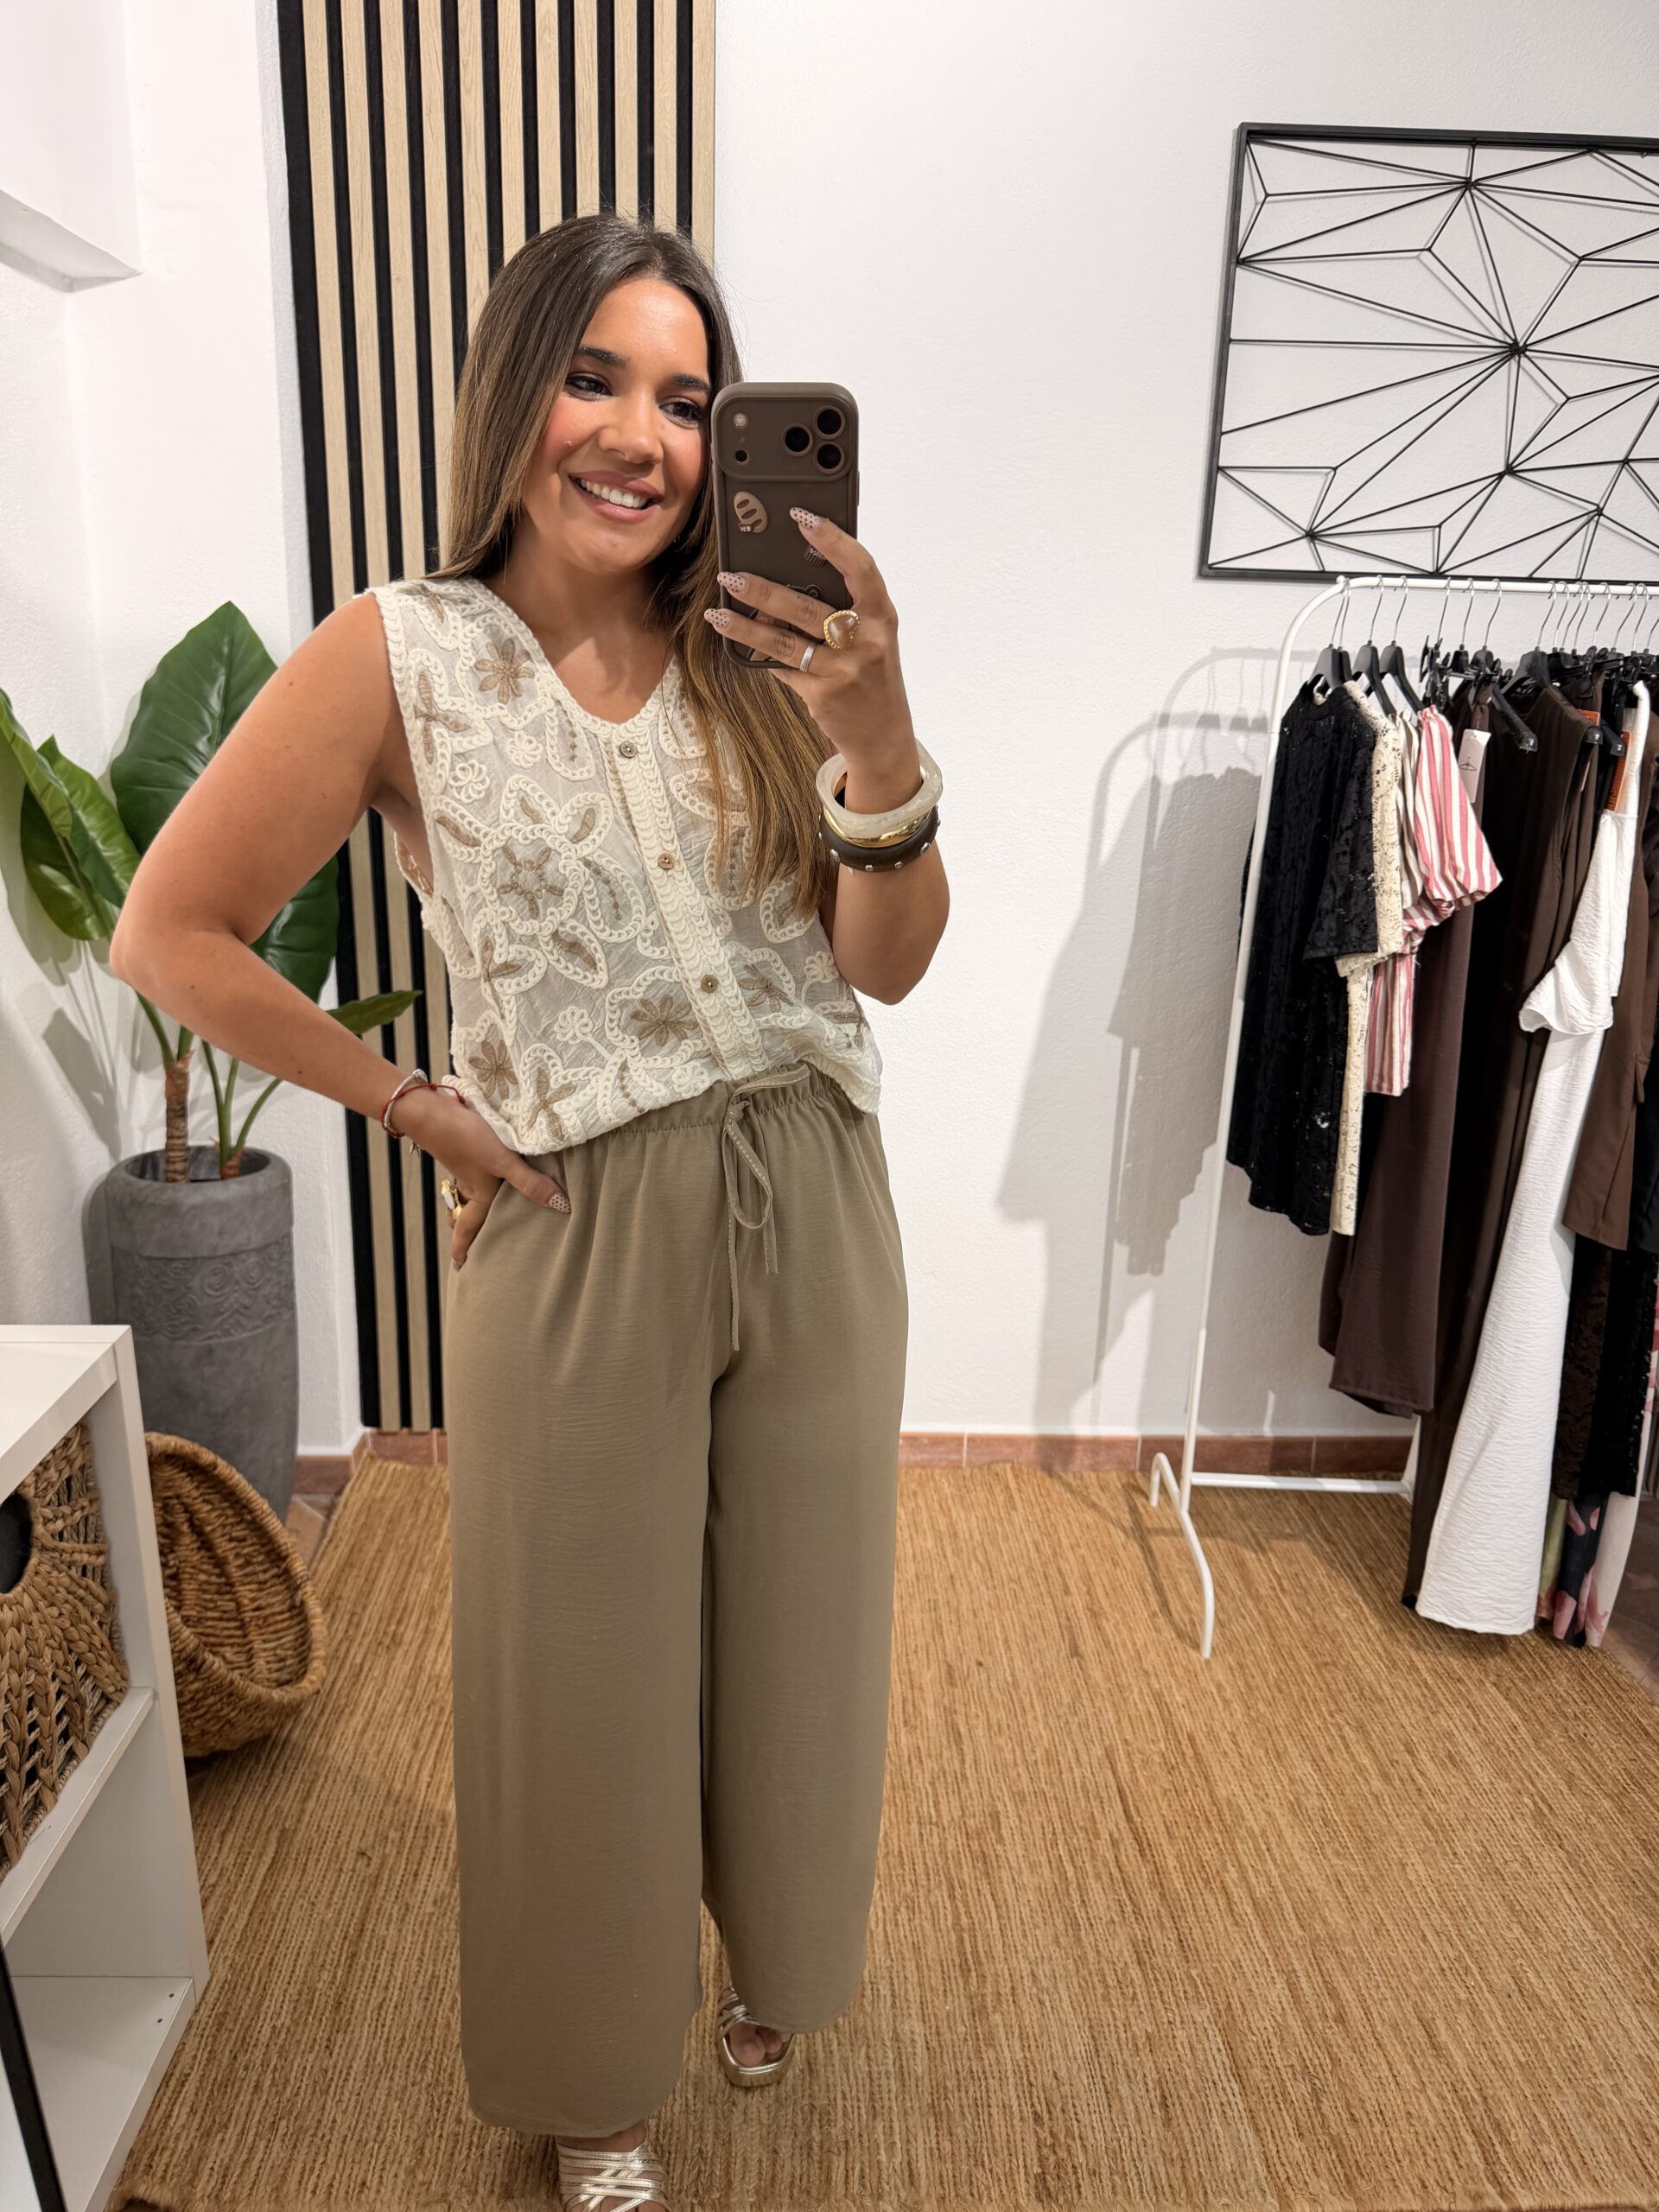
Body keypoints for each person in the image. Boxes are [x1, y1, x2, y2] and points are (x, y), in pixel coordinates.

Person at [110, 210, 949, 2212]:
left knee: (807, 1620)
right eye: (595, 377)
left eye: (686, 395)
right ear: (516, 390)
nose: (641, 435)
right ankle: (592, 2082)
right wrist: (410, 1102)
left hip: (818, 1178)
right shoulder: (401, 651)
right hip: (575, 1210)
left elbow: (887, 961)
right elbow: (170, 929)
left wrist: (878, 737)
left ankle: (776, 1958)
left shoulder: (769, 643)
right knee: (580, 1670)